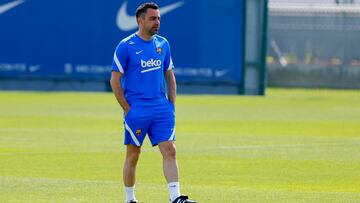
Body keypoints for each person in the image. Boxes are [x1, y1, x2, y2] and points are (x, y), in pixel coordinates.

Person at [110, 2, 197, 203]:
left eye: (158, 18)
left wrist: (171, 105)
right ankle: (130, 199)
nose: (157, 22)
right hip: (137, 110)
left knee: (170, 150)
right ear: (140, 20)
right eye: (153, 18)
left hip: (161, 109)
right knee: (133, 155)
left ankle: (176, 198)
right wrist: (127, 109)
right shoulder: (126, 46)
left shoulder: (163, 44)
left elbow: (170, 76)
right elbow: (115, 81)